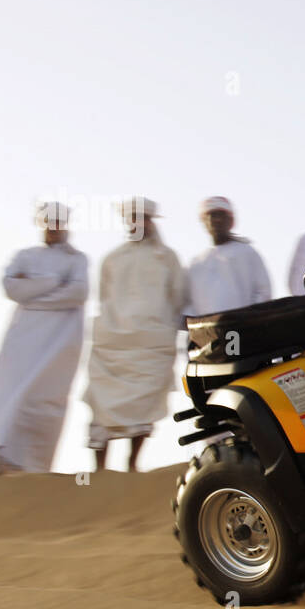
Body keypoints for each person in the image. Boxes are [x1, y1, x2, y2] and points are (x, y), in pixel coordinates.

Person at [0, 202, 89, 474]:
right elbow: (10, 286)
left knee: (43, 399)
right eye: (49, 221)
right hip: (23, 338)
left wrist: (34, 292)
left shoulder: (77, 259)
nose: (54, 227)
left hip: (60, 341)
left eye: (59, 221)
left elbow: (77, 293)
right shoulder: (25, 255)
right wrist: (55, 282)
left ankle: (34, 469)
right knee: (5, 398)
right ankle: (4, 460)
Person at [83, 198, 187, 472]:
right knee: (101, 405)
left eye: (143, 218)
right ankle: (100, 470)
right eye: (133, 218)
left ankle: (132, 464)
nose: (138, 223)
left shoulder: (168, 258)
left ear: (152, 222)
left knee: (145, 406)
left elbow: (178, 296)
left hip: (151, 343)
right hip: (112, 344)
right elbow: (103, 296)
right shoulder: (112, 258)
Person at [186, 196, 271, 316]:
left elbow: (263, 293)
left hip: (244, 328)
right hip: (209, 332)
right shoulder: (196, 264)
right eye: (212, 215)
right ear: (204, 222)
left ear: (231, 221)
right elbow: (188, 307)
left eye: (221, 215)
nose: (217, 220)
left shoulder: (247, 253)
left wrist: (250, 319)